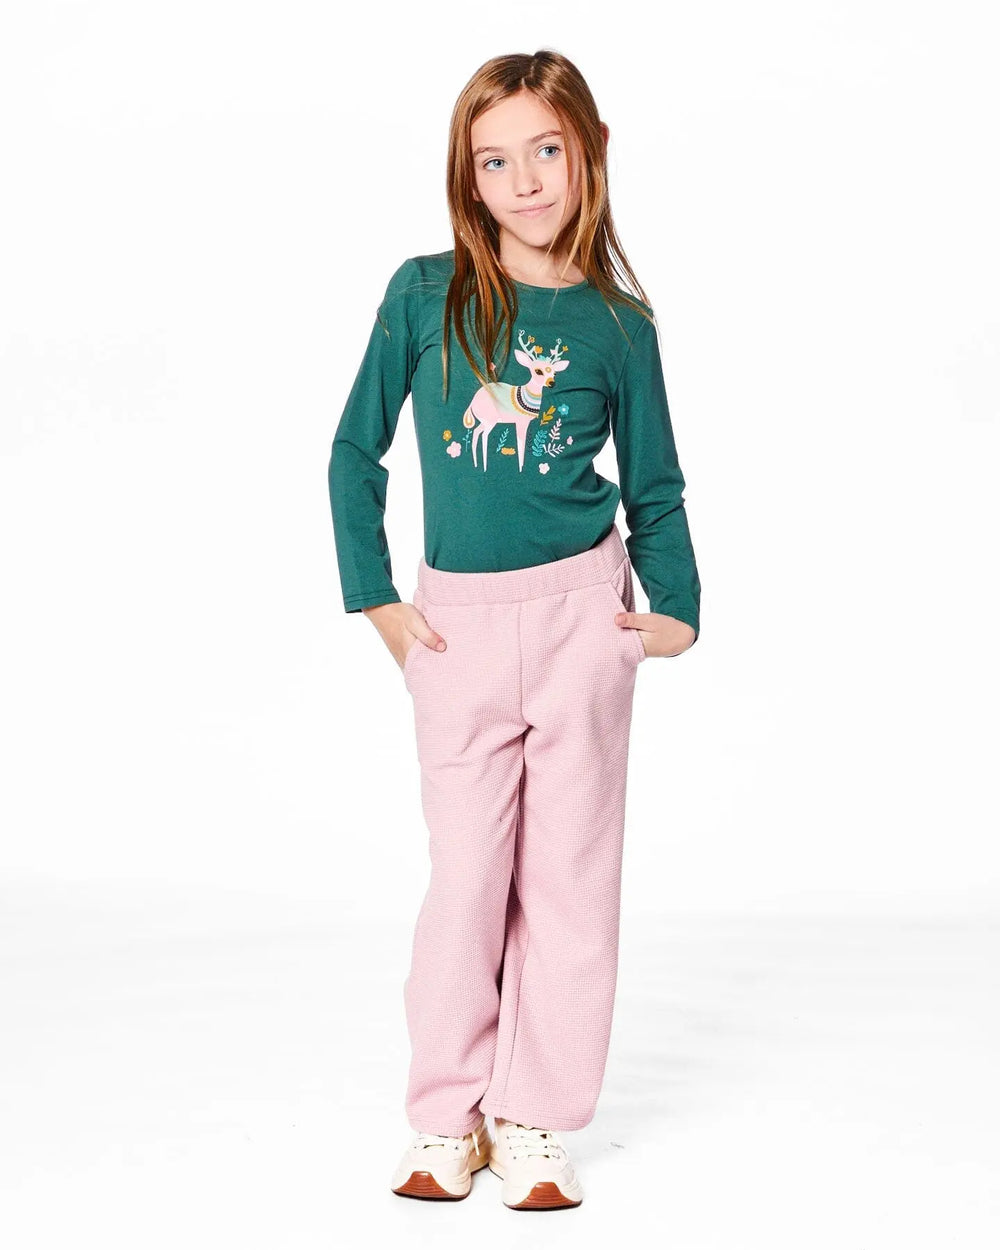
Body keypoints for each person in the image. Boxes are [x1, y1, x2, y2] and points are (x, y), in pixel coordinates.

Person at [327, 48, 701, 1211]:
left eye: (546, 149)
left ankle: (533, 1115)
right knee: (468, 876)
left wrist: (674, 611)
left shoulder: (617, 325)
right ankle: (446, 1114)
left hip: (585, 616)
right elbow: (352, 451)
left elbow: (655, 483)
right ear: (467, 176)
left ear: (589, 151)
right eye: (495, 161)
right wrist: (379, 601)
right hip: (458, 632)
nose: (525, 179)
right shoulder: (423, 294)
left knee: (570, 878)